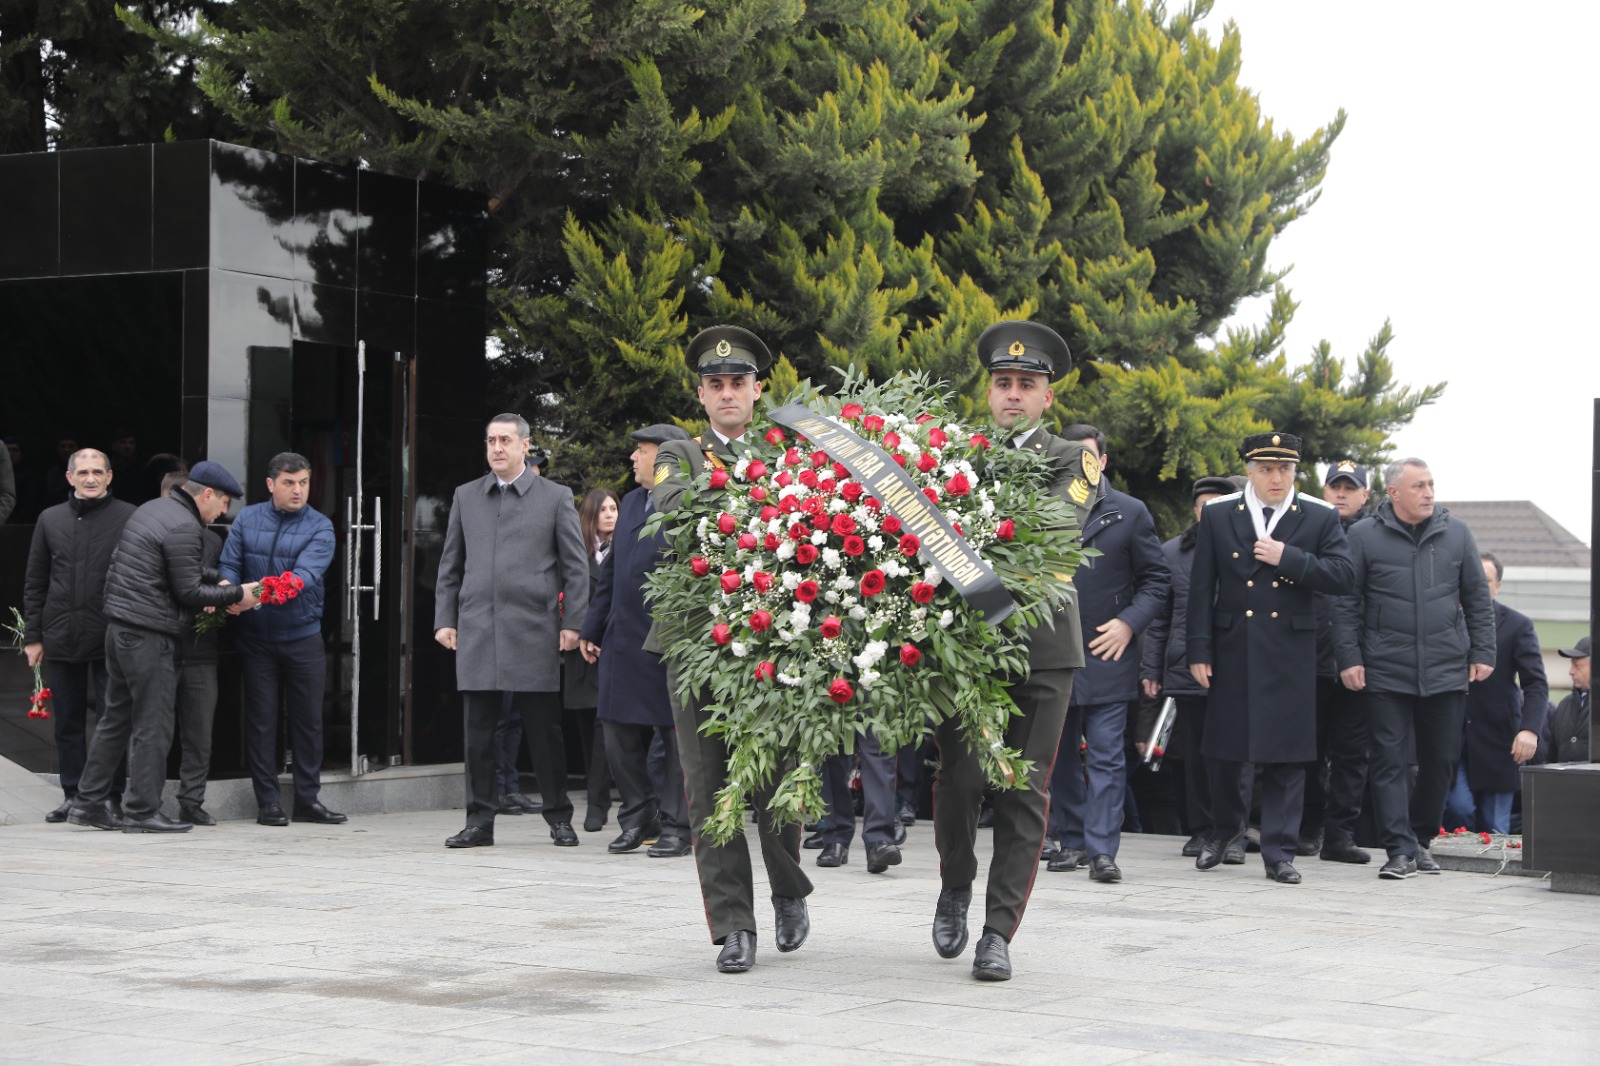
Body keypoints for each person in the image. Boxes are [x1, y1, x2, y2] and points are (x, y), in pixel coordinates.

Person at [930, 320, 1095, 982]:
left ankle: (998, 932)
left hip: (1043, 649)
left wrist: (962, 537)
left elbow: (1053, 533)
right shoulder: (951, 457)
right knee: (962, 780)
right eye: (1003, 383)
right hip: (965, 648)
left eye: (1027, 385)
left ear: (1047, 398)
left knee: (1023, 789)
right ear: (989, 392)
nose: (1013, 395)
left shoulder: (1073, 459)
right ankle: (956, 885)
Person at [651, 325, 812, 974]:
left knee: (776, 781)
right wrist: (760, 496)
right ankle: (733, 926)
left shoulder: (788, 453)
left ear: (757, 390)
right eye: (715, 385)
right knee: (709, 786)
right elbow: (670, 510)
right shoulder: (677, 453)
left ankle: (789, 890)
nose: (726, 394)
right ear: (700, 393)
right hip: (698, 646)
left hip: (773, 644)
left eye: (737, 384)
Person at [1186, 432, 1354, 884]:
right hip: (1232, 644)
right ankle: (1224, 832)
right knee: (1223, 751)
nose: (1276, 478)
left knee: (1286, 755)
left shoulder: (1318, 515)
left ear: (1295, 472)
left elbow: (1343, 575)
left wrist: (1290, 559)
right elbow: (1201, 586)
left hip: (1289, 651)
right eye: (1266, 469)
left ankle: (1279, 852)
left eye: (1284, 469)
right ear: (1249, 471)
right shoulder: (1221, 513)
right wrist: (1198, 649)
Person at [68, 461, 255, 833]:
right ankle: (141, 811)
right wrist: (238, 593)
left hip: (120, 629)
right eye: (223, 504)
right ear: (206, 495)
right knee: (154, 725)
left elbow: (169, 568)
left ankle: (87, 803)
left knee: (114, 720)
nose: (223, 512)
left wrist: (217, 579)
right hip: (149, 635)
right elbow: (186, 591)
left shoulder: (154, 509)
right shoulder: (186, 525)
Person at [1334, 457, 1495, 880]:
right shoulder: (1365, 537)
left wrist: (1484, 652)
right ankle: (1399, 850)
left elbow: (1477, 597)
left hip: (1446, 668)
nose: (1428, 492)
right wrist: (1349, 659)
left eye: (1430, 484)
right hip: (1385, 669)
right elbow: (1345, 604)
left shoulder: (1457, 533)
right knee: (1388, 761)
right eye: (1418, 485)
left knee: (1440, 761)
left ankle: (1421, 839)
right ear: (1394, 493)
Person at [435, 413, 589, 849]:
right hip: (478, 626)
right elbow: (450, 565)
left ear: (525, 445)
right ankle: (479, 821)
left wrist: (573, 623)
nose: (497, 448)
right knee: (479, 733)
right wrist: (445, 618)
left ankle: (559, 816)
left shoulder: (555, 496)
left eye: (505, 440)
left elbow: (576, 569)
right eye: (490, 441)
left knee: (544, 731)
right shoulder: (467, 496)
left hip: (535, 626)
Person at [1045, 423, 1170, 882]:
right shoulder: (1043, 505)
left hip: (1107, 649)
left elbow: (1158, 582)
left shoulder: (1130, 512)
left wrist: (1128, 623)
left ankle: (1102, 851)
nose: (1080, 462)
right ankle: (1071, 839)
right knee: (1056, 754)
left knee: (1105, 756)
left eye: (1089, 455)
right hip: (1054, 647)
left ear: (1103, 461)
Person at [579, 423, 693, 858]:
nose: (633, 459)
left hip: (667, 640)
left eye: (641, 451)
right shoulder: (629, 502)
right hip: (623, 637)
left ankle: (677, 826)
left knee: (676, 739)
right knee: (615, 733)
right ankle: (638, 814)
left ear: (665, 456)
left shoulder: (687, 500)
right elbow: (611, 571)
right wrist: (592, 626)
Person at [220, 452, 345, 827]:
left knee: (307, 722)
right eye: (289, 482)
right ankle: (268, 803)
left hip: (302, 636)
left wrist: (249, 595)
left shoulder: (320, 527)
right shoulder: (247, 518)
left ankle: (308, 800)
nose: (298, 490)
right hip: (256, 638)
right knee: (262, 720)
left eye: (304, 482)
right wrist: (226, 588)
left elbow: (303, 576)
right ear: (271, 484)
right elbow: (230, 561)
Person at [23, 448, 136, 822]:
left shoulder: (129, 517)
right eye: (83, 472)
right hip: (60, 634)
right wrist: (34, 637)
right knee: (67, 721)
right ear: (69, 477)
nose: (90, 478)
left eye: (98, 472)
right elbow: (36, 580)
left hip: (111, 636)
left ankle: (109, 796)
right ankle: (72, 794)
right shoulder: (50, 519)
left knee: (112, 719)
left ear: (110, 476)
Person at [1139, 475, 1245, 859]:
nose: (1209, 512)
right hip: (1185, 666)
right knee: (1195, 757)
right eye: (1204, 505)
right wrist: (1152, 670)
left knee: (1234, 755)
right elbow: (1160, 618)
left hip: (1235, 668)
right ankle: (1201, 829)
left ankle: (1232, 832)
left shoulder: (1248, 547)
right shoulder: (1172, 553)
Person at [1444, 552, 1548, 834]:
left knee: (1494, 828)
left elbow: (1536, 684)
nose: (1478, 586)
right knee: (1457, 809)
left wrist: (1530, 730)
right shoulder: (1444, 621)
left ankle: (1495, 880)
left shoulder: (1517, 625)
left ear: (1498, 585)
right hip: (1452, 738)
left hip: (1499, 740)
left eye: (1486, 580)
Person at [1305, 459, 1376, 864]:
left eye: (1351, 488)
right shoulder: (1307, 528)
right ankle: (1309, 825)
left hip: (1358, 664)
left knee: (1352, 753)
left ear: (1366, 494)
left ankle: (1340, 835)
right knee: (1307, 752)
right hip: (1311, 661)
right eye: (1335, 487)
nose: (1342, 494)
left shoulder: (1374, 536)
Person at [566, 487, 619, 833]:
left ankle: (597, 804)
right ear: (590, 515)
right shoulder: (576, 553)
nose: (610, 515)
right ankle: (596, 795)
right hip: (580, 652)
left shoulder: (625, 548)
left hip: (613, 648)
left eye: (614, 508)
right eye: (603, 510)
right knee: (588, 725)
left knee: (605, 725)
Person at [1542, 636, 1589, 763]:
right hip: (1565, 782)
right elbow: (1552, 756)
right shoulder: (1564, 705)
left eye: (1577, 666)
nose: (1571, 671)